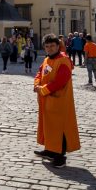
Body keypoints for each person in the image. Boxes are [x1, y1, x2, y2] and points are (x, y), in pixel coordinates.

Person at [33, 33, 80, 168]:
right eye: (47, 46)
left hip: (59, 101)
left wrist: (42, 89)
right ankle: (50, 150)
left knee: (61, 129)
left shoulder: (63, 60)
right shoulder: (47, 60)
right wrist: (36, 84)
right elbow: (39, 72)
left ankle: (60, 157)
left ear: (58, 46)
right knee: (49, 126)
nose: (49, 48)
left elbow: (60, 81)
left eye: (52, 46)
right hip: (46, 101)